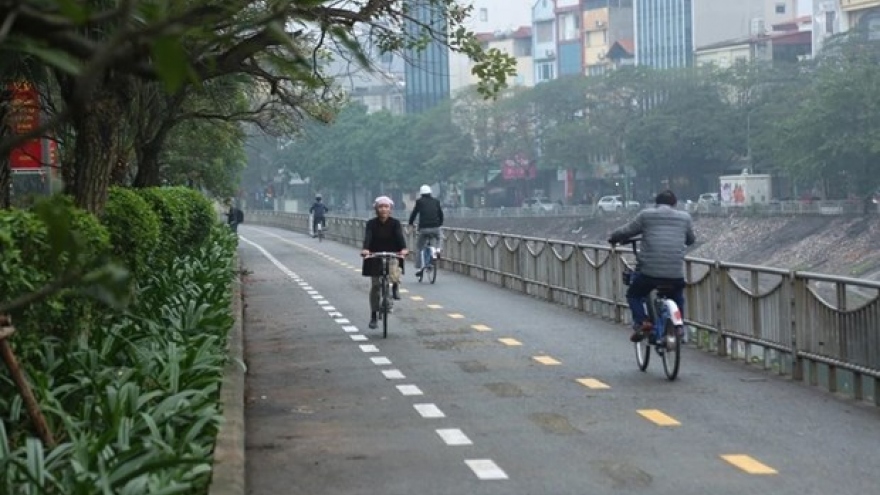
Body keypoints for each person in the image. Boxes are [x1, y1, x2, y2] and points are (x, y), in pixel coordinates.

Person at [608, 190, 695, 343]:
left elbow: (626, 231)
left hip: (650, 273)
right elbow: (690, 240)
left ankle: (643, 322)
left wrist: (613, 238)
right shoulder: (685, 218)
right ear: (674, 203)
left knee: (634, 294)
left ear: (656, 203)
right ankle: (679, 326)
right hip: (675, 273)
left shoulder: (646, 215)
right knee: (677, 295)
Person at [361, 196, 408, 329]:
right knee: (376, 286)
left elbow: (399, 237)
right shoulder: (371, 223)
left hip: (392, 254)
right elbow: (368, 237)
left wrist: (403, 249)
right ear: (376, 209)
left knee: (394, 273)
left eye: (386, 207)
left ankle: (395, 286)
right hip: (375, 255)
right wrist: (366, 249)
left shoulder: (395, 223)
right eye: (381, 207)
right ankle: (374, 315)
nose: (383, 209)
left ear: (390, 209)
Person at [407, 184, 444, 277]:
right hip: (435, 227)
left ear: (421, 193)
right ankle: (438, 249)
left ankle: (419, 267)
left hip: (423, 229)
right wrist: (439, 224)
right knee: (440, 237)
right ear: (430, 192)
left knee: (419, 247)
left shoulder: (419, 202)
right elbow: (440, 214)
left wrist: (411, 223)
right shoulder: (436, 201)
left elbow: (414, 213)